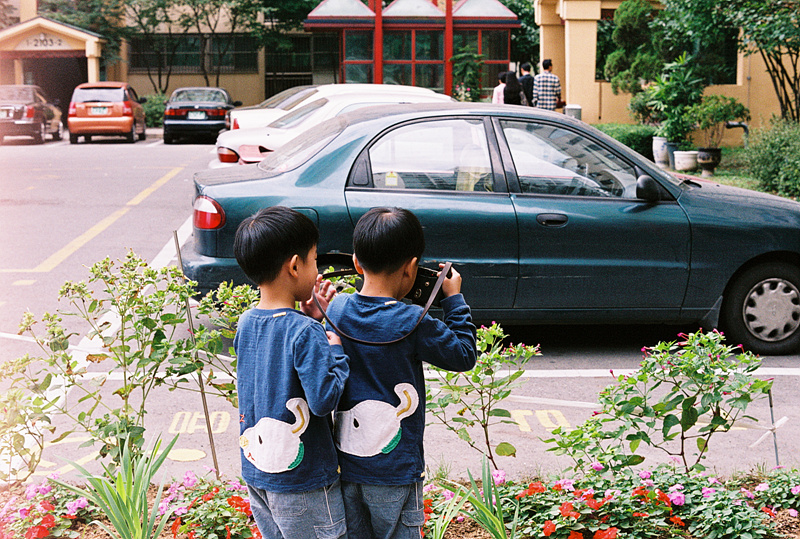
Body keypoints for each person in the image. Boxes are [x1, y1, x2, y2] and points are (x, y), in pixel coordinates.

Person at [326, 207, 477, 539]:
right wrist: (453, 298)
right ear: (412, 268)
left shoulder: (335, 309)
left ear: (356, 262)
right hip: (395, 470)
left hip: (346, 465)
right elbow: (464, 355)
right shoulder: (413, 321)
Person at [233, 206, 350, 539]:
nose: (317, 270)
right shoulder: (304, 333)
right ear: (295, 266)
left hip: (258, 472)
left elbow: (279, 370)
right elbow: (324, 400)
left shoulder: (246, 323)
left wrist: (311, 321)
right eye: (314, 260)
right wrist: (336, 351)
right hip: (305, 481)